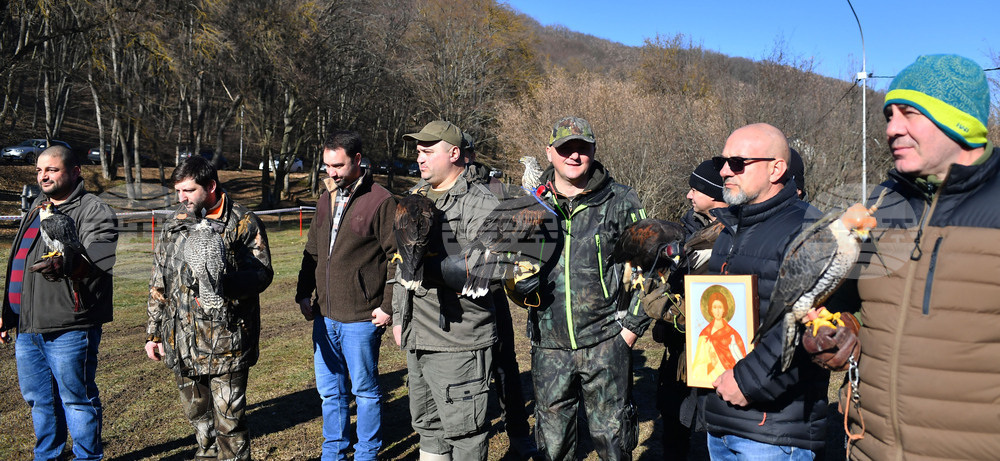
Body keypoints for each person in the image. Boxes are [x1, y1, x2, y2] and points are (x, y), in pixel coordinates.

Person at [828, 54, 1000, 461]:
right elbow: (845, 301)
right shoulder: (882, 202)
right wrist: (840, 328)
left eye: (908, 113)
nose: (891, 129)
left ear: (957, 120)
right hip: (867, 449)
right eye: (888, 115)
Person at [526, 116, 648, 460]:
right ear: (550, 153)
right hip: (548, 347)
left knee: (613, 442)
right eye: (566, 149)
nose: (574, 156)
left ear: (593, 151)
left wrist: (630, 330)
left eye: (582, 148)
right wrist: (516, 288)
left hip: (606, 341)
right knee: (552, 444)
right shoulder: (529, 203)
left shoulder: (621, 200)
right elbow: (508, 265)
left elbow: (649, 268)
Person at [704, 123, 826, 460]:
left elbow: (806, 327)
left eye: (738, 163)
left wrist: (746, 382)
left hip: (774, 435)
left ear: (777, 169)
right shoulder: (731, 228)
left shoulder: (809, 231)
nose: (726, 171)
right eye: (722, 162)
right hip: (723, 423)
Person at [145, 155, 273, 461]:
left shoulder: (242, 221)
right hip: (183, 343)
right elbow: (158, 281)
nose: (182, 198)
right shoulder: (174, 223)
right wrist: (154, 333)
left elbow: (262, 273)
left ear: (211, 186)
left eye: (188, 191)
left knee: (229, 426)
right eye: (178, 192)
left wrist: (219, 283)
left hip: (226, 343)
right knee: (201, 428)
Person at [390, 120, 499, 461]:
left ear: (454, 153)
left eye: (428, 151)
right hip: (418, 335)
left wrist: (434, 268)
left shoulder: (481, 203)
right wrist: (398, 316)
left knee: (465, 432)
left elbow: (490, 269)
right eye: (418, 152)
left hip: (459, 340)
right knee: (428, 427)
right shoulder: (416, 197)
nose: (420, 159)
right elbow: (400, 263)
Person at [1, 145, 118, 461]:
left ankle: (87, 458)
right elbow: (18, 267)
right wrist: (7, 314)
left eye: (51, 169)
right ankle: (47, 456)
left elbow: (101, 260)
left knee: (77, 399)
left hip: (70, 324)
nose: (43, 176)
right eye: (39, 171)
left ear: (75, 171)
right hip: (27, 327)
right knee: (39, 400)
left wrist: (68, 264)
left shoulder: (94, 210)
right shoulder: (36, 209)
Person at [295, 130, 397, 460]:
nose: (332, 173)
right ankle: (334, 452)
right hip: (324, 316)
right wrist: (303, 292)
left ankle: (367, 453)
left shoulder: (381, 199)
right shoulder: (326, 196)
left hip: (362, 317)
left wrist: (387, 307)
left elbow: (397, 258)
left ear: (357, 160)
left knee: (365, 392)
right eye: (326, 166)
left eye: (338, 165)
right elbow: (312, 250)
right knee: (330, 393)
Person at [459, 131, 539, 458]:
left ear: (466, 154)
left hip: (489, 289)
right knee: (462, 368)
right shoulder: (435, 189)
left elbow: (526, 220)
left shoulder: (494, 187)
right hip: (449, 294)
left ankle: (518, 430)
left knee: (504, 362)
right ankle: (464, 430)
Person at [653, 158, 726, 461]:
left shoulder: (739, 234)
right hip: (679, 351)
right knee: (674, 424)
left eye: (695, 189)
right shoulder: (682, 230)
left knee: (719, 433)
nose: (688, 195)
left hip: (720, 354)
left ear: (714, 193)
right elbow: (658, 284)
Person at [690, 290, 746, 383]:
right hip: (707, 383)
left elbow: (741, 363)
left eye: (720, 307)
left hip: (730, 383)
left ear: (725, 309)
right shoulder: (704, 335)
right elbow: (697, 368)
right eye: (715, 307)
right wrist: (711, 364)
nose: (717, 311)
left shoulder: (733, 334)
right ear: (710, 309)